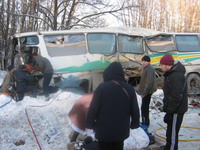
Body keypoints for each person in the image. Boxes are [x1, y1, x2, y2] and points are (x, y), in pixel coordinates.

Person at [86, 62, 140, 150]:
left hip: (104, 131)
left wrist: (90, 123)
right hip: (121, 130)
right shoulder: (129, 88)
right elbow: (135, 108)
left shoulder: (102, 88)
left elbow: (93, 108)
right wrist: (135, 123)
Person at [160, 54, 188, 150]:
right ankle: (169, 146)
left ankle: (171, 148)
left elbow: (176, 97)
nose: (160, 67)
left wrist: (170, 112)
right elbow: (169, 94)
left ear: (167, 65)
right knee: (170, 131)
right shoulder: (171, 74)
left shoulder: (176, 76)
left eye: (161, 65)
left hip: (176, 110)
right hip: (173, 109)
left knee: (173, 133)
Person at [138, 55, 157, 126]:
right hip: (147, 91)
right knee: (144, 107)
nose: (143, 62)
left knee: (144, 107)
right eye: (142, 61)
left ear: (148, 62)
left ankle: (145, 122)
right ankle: (145, 121)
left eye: (145, 61)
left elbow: (148, 82)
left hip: (148, 91)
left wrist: (144, 92)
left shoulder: (149, 69)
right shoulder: (146, 68)